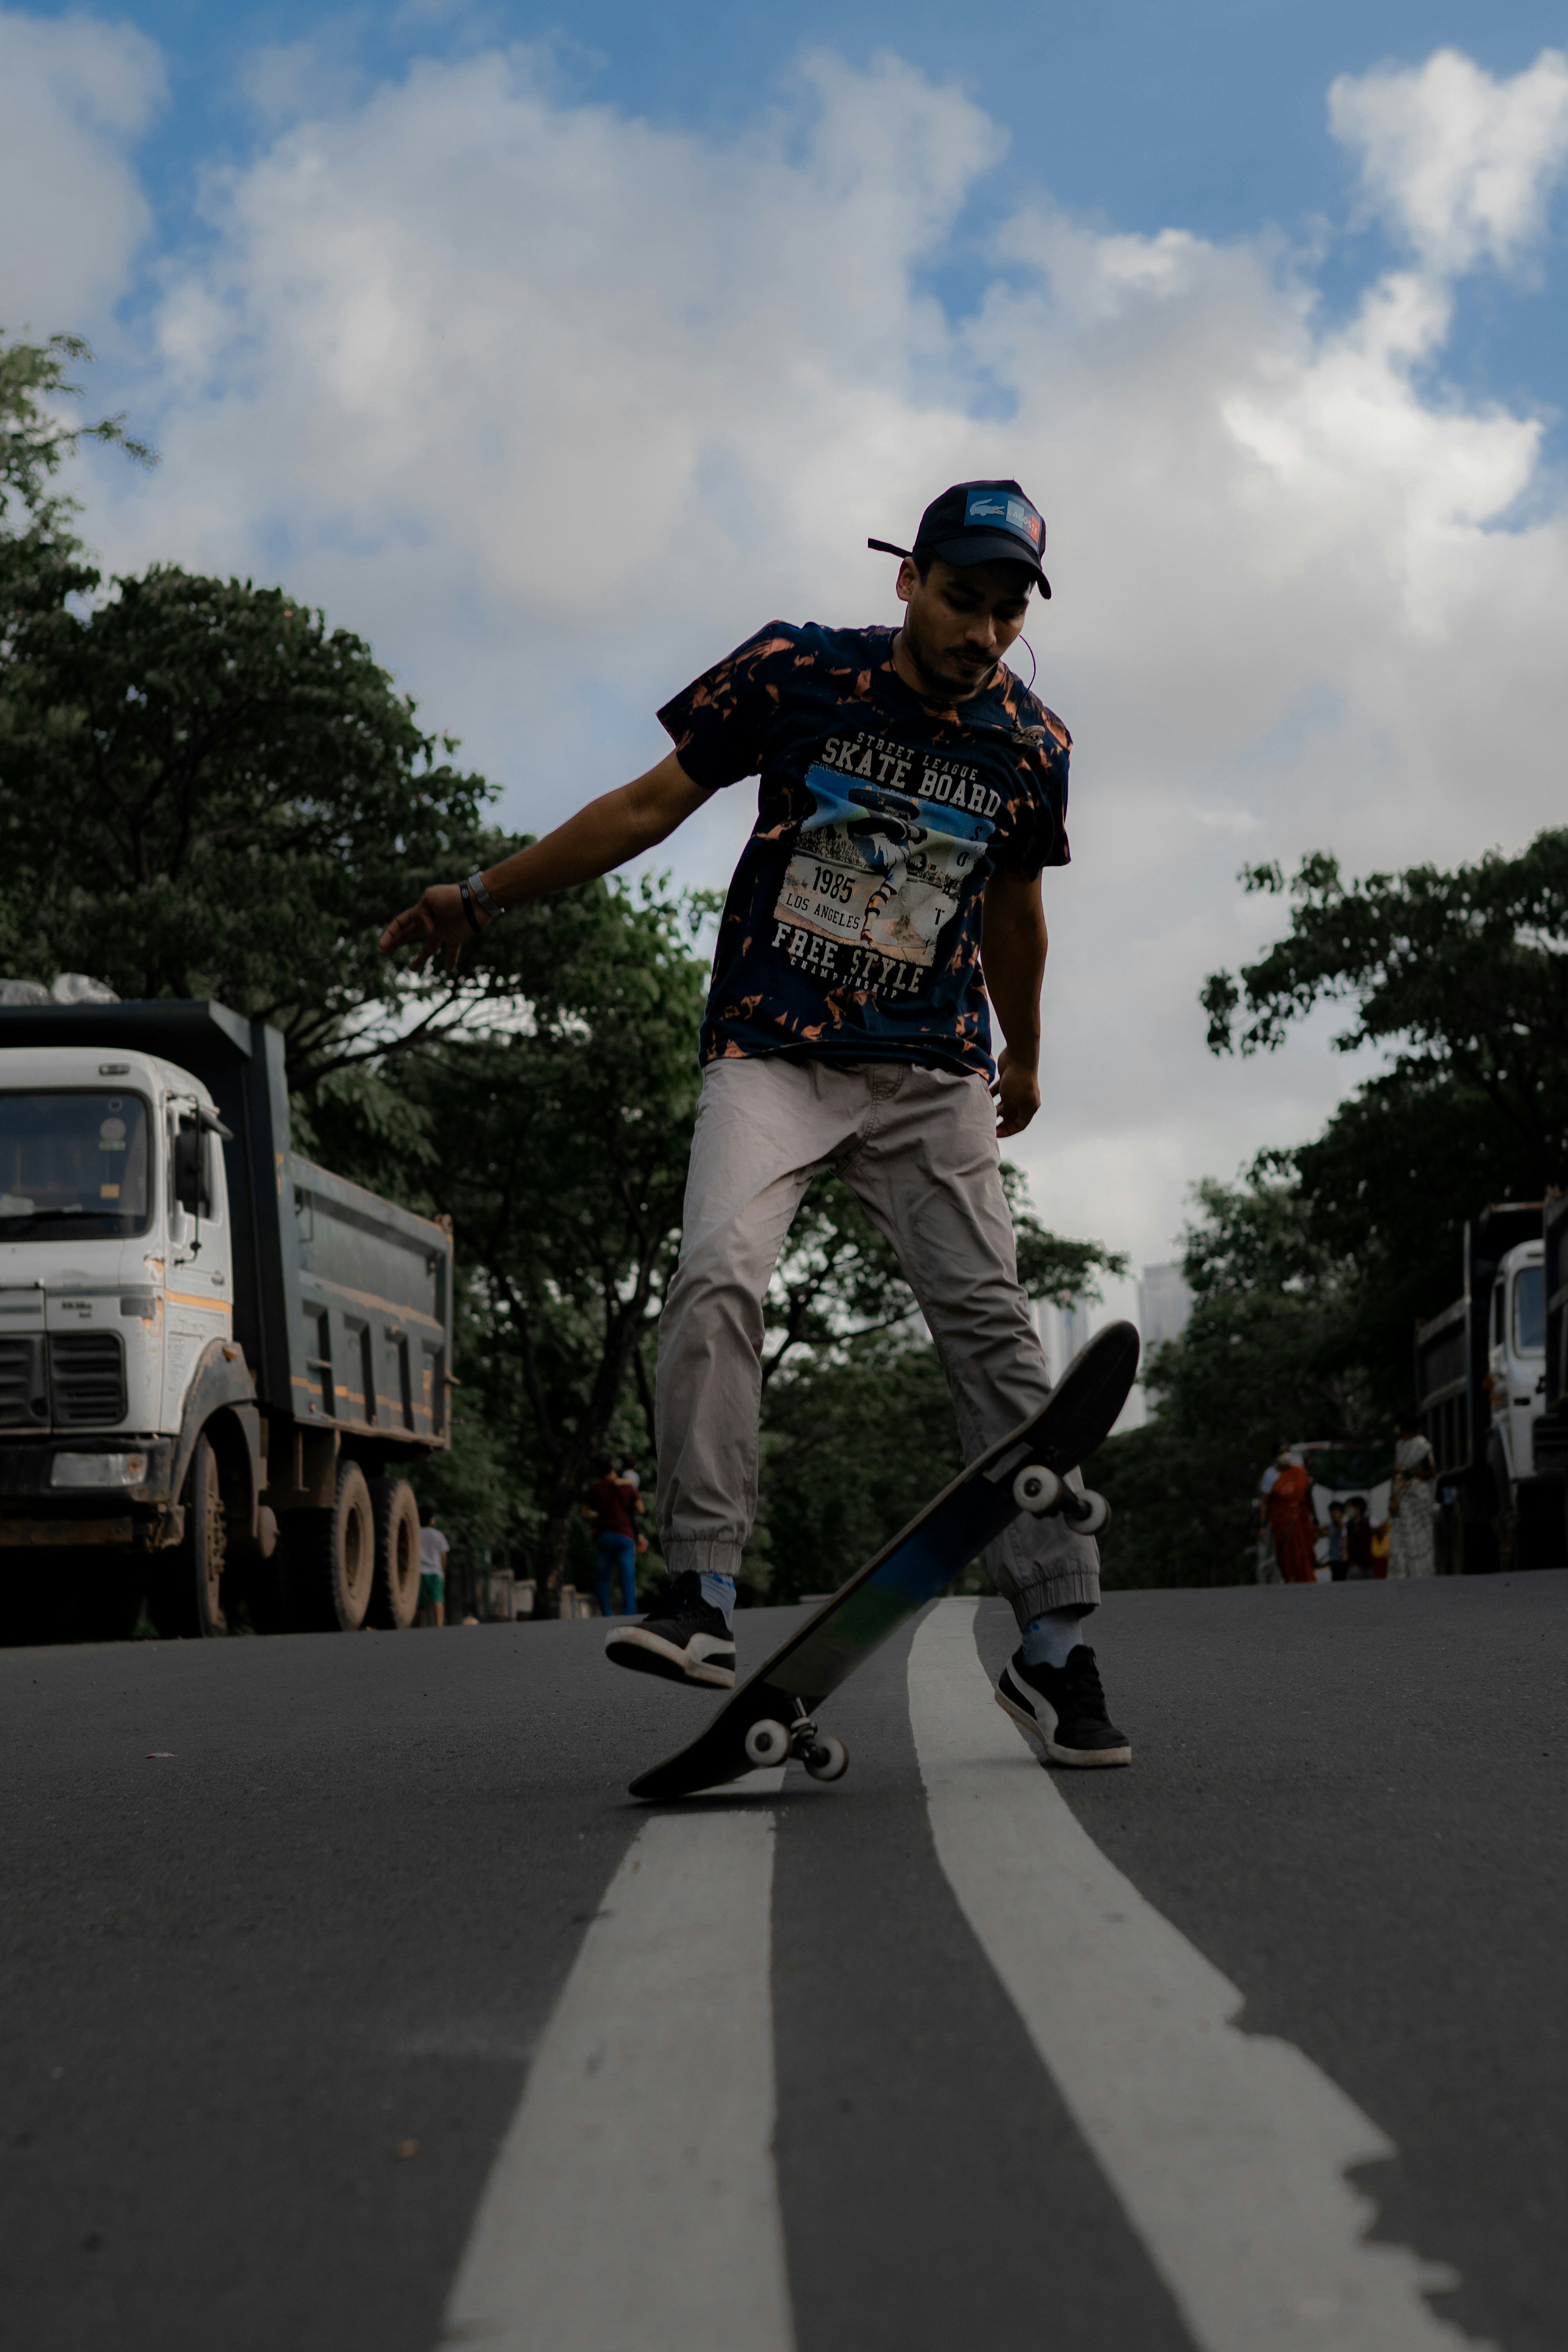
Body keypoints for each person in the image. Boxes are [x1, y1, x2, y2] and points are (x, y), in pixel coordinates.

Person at [380, 479, 1131, 1766]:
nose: (982, 635)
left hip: (932, 1070)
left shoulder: (1033, 744)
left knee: (998, 1336)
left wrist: (1029, 1056)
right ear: (908, 580)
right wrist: (481, 896)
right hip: (774, 1051)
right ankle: (702, 1595)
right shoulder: (793, 673)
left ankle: (1057, 1641)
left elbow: (1017, 912)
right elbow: (644, 806)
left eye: (1007, 615)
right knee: (716, 1272)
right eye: (962, 602)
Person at [583, 1457, 644, 1619]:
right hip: (625, 1536)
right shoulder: (628, 1486)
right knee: (627, 1577)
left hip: (605, 1536)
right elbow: (640, 1509)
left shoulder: (595, 1488)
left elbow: (585, 1511)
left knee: (604, 1577)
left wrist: (598, 1515)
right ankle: (629, 1614)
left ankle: (606, 1614)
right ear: (613, 1466)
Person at [1387, 1414, 1437, 1578]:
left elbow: (1431, 1472)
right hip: (1401, 1496)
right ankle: (1402, 1573)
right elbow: (1396, 1473)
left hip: (1416, 1497)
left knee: (1418, 1536)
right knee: (1401, 1534)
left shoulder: (1422, 1446)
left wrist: (1410, 1473)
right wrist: (1393, 1499)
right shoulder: (1400, 1445)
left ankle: (1421, 1573)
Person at [1265, 1449, 1319, 1584]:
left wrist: (1315, 1516)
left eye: (1287, 1451)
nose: (1286, 1455)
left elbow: (1307, 1497)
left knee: (1304, 1548)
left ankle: (1306, 1576)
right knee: (1285, 1551)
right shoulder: (1270, 1475)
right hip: (1281, 1520)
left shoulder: (1299, 1472)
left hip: (1300, 1518)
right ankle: (1290, 1577)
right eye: (1282, 1452)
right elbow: (1266, 1501)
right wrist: (1263, 1523)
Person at [418, 1504, 448, 1627]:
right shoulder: (438, 1535)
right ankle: (439, 1625)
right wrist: (443, 1570)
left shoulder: (416, 1534)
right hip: (436, 1572)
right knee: (438, 1599)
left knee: (421, 1603)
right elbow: (443, 1555)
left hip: (421, 1571)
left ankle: (420, 1625)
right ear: (431, 1520)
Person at [1344, 1495, 1374, 1580]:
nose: (1348, 1510)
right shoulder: (1348, 1525)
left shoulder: (1369, 1522)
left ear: (1358, 1508)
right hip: (1354, 1562)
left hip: (1368, 1561)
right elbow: (1345, 1539)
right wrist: (1345, 1553)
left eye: (1350, 1507)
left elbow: (1380, 1529)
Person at [1323, 1499, 1348, 1581]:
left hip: (1342, 1560)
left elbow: (1345, 1540)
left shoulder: (1344, 1527)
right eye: (1333, 1511)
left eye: (1337, 1511)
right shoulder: (1329, 1526)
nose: (1335, 1513)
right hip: (1333, 1560)